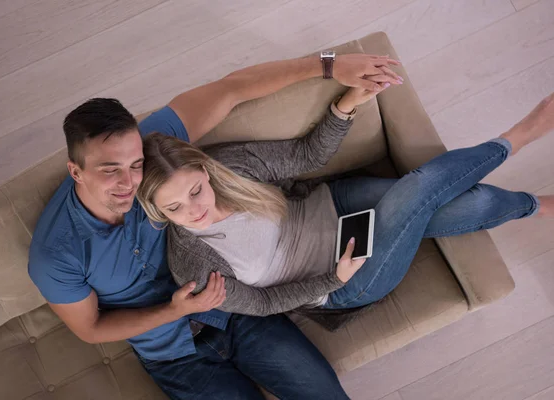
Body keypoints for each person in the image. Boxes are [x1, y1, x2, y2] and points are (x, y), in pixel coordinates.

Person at [28, 52, 403, 400]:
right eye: (110, 171)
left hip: (235, 312)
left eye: (135, 165)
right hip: (174, 356)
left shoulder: (152, 155)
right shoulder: (55, 254)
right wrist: (173, 311)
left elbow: (231, 88)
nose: (129, 182)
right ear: (75, 171)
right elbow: (90, 329)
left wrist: (328, 65)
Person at [137, 87, 554, 319]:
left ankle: (538, 206)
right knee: (417, 191)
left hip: (333, 207)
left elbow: (305, 156)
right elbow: (262, 304)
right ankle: (521, 135)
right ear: (158, 212)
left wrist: (346, 104)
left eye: (195, 191)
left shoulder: (229, 167)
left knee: (467, 203)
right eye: (173, 209)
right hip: (343, 279)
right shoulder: (192, 262)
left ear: (204, 172)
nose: (194, 211)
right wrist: (333, 280)